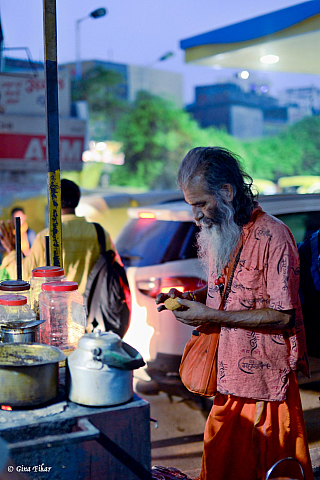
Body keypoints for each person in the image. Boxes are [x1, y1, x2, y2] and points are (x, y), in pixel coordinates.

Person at [156, 147, 313, 480]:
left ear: (226, 192)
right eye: (191, 206)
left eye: (200, 204)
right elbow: (225, 291)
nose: (196, 216)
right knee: (220, 466)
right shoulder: (223, 232)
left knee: (264, 470)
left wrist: (210, 315)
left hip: (263, 385)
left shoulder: (274, 235)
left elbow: (282, 315)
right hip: (227, 380)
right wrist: (187, 298)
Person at [0, 179, 118, 301]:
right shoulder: (99, 233)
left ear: (52, 202)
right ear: (77, 200)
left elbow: (23, 276)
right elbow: (115, 265)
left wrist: (11, 250)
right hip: (93, 310)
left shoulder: (47, 236)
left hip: (57, 310)